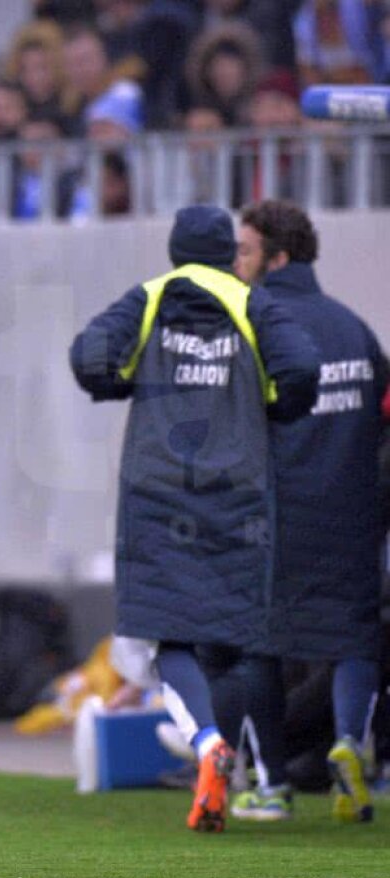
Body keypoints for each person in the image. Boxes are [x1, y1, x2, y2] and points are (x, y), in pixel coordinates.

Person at [69, 204, 320, 832]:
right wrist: (268, 400)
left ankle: (208, 744)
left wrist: (127, 380)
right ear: (231, 253)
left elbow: (89, 357)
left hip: (157, 496)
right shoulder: (250, 302)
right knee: (233, 645)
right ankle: (232, 763)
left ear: (176, 249)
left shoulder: (151, 297)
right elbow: (301, 371)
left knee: (166, 638)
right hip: (238, 496)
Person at [218, 201, 388, 822]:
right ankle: (350, 749)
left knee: (258, 647)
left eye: (245, 249)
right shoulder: (356, 330)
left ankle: (271, 786)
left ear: (277, 257)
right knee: (355, 641)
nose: (237, 261)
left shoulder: (253, 328)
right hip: (353, 515)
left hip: (274, 520)